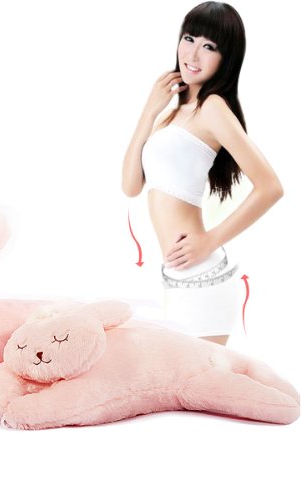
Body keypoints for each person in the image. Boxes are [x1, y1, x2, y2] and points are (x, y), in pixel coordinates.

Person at [121, 1, 283, 346]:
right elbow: (131, 186)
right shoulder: (171, 114)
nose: (193, 54)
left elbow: (271, 187)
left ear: (227, 58)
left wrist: (210, 240)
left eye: (209, 46)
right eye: (189, 38)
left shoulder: (212, 108)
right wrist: (149, 110)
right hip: (173, 275)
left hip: (202, 277)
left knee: (203, 377)